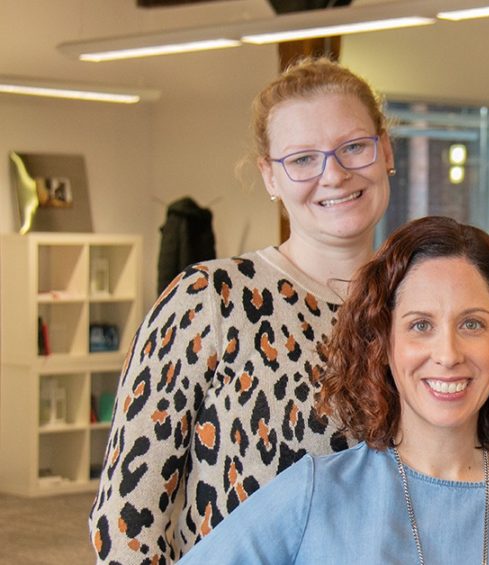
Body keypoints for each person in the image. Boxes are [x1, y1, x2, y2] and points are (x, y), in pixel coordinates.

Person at [88, 57, 395, 563]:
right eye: (301, 159)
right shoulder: (210, 299)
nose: (334, 174)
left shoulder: (419, 308)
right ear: (269, 176)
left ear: (385, 150)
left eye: (354, 147)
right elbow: (126, 518)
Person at [175, 216, 489, 564]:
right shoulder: (314, 494)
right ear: (382, 344)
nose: (448, 353)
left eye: (472, 324)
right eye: (420, 325)